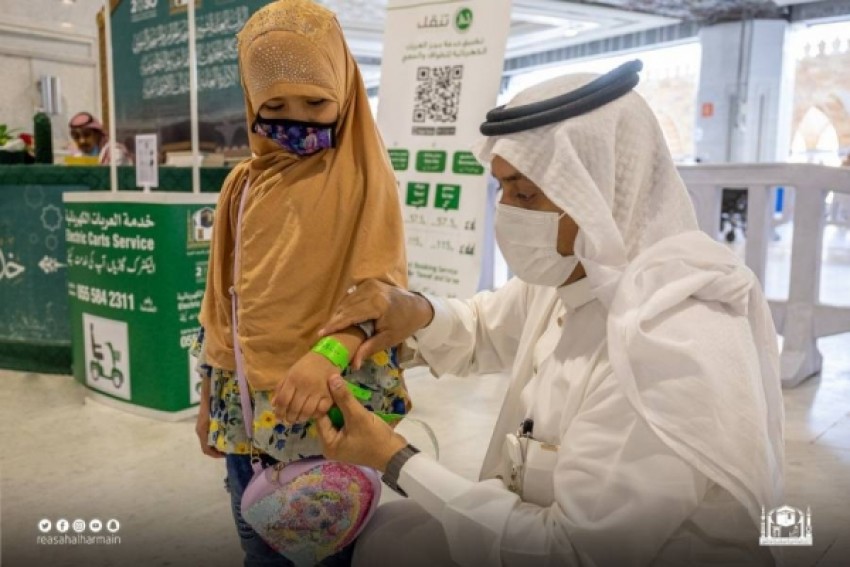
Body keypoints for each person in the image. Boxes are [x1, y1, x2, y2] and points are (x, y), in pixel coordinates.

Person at [307, 69, 785, 566]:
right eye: (502, 190)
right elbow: (484, 327)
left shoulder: (668, 342)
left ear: (595, 193)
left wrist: (393, 457)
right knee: (390, 535)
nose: (507, 211)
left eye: (526, 194)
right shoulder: (579, 271)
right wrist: (418, 312)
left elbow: (571, 552)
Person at [193, 1, 409, 565]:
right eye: (275, 105)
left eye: (316, 102)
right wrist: (207, 399)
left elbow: (383, 292)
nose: (297, 118)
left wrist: (327, 354)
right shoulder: (242, 185)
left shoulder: (362, 175)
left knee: (328, 551)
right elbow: (222, 304)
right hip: (245, 408)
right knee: (256, 540)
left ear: (344, 86)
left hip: (327, 405)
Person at [67, 112, 132, 165]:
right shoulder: (75, 155)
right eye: (76, 137)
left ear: (97, 135)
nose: (82, 141)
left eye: (86, 135)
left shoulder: (115, 152)